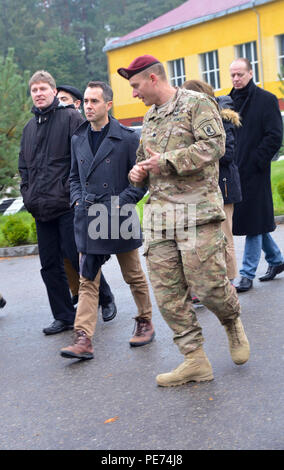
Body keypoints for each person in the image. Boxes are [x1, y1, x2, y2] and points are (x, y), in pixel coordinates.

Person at [119, 54, 250, 387]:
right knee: (167, 293)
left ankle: (232, 321)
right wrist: (137, 174)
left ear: (153, 79)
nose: (134, 94)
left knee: (208, 287)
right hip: (161, 218)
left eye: (135, 86)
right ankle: (195, 360)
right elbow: (144, 163)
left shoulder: (196, 104)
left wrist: (167, 161)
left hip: (196, 213)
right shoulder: (149, 119)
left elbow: (215, 146)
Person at [60, 81, 154, 360]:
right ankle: (83, 337)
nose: (88, 106)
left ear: (108, 105)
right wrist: (77, 199)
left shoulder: (127, 138)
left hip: (118, 212)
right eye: (86, 101)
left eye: (94, 101)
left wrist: (120, 204)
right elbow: (74, 176)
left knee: (133, 274)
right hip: (88, 214)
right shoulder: (78, 138)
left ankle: (145, 320)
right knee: (88, 280)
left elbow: (141, 181)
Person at [18, 70, 83, 335]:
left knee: (77, 258)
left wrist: (73, 192)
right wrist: (27, 193)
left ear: (54, 91)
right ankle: (64, 316)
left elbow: (82, 158)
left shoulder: (71, 118)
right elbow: (24, 167)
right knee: (49, 266)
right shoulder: (29, 128)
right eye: (34, 90)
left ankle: (104, 296)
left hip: (67, 203)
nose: (39, 94)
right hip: (40, 207)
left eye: (43, 89)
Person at [56, 85, 117, 321]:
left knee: (85, 256)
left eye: (65, 99)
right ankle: (79, 302)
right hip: (63, 198)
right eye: (58, 99)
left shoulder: (78, 124)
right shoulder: (47, 124)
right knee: (68, 257)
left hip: (87, 201)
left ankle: (105, 296)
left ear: (76, 104)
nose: (60, 103)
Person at [229, 58, 284, 292]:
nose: (236, 79)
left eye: (240, 74)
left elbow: (274, 135)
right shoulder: (227, 102)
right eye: (232, 75)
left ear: (251, 73)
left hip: (256, 171)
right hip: (234, 171)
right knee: (256, 220)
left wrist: (257, 161)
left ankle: (246, 274)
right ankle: (277, 260)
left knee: (253, 221)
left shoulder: (266, 100)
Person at [183, 80, 242, 283]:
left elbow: (228, 154)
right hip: (203, 189)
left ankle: (230, 279)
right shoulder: (193, 120)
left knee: (225, 237)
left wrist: (201, 151)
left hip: (224, 186)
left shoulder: (221, 120)